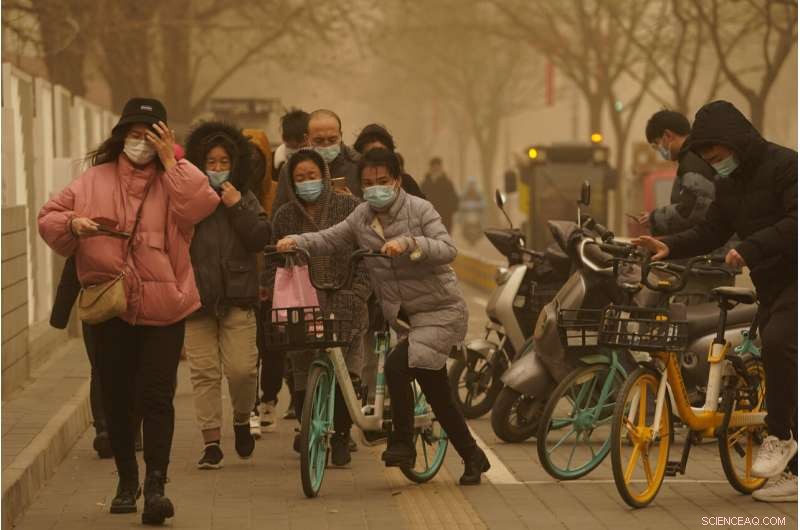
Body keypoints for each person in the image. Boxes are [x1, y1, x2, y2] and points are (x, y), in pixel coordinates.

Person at [38, 98, 219, 524]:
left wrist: (170, 160)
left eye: (150, 134)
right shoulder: (92, 181)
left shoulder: (174, 181)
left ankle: (156, 484)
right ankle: (126, 480)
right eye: (134, 134)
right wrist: (71, 225)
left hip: (165, 308)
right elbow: (49, 217)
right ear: (121, 136)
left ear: (164, 138)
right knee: (118, 400)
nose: (140, 142)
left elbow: (201, 203)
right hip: (110, 308)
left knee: (157, 397)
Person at [276, 148, 491, 485]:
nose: (375, 188)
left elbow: (448, 248)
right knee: (436, 392)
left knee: (396, 364)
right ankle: (473, 456)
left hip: (440, 310)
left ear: (397, 180)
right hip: (405, 318)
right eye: (368, 183)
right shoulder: (361, 217)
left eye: (382, 181)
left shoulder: (420, 209)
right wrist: (297, 241)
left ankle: (402, 443)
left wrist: (409, 244)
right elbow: (330, 238)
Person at [635, 100, 797, 503]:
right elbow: (711, 230)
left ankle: (779, 437)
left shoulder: (785, 165)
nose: (714, 164)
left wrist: (751, 249)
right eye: (707, 159)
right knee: (775, 356)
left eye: (717, 157)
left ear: (736, 143)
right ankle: (793, 474)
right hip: (773, 283)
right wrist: (667, 246)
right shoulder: (731, 184)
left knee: (778, 342)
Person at [267, 148, 371, 465]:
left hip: (345, 300)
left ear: (324, 176)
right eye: (300, 178)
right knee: (302, 370)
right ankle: (309, 426)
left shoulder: (350, 207)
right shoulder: (284, 215)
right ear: (290, 182)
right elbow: (272, 263)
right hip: (302, 304)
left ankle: (341, 436)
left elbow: (365, 255)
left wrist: (358, 291)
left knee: (346, 372)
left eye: (312, 176)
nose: (307, 182)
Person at [183, 121, 273, 470]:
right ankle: (211, 443)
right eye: (211, 162)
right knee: (203, 373)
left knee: (242, 370)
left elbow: (259, 237)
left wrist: (236, 206)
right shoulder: (190, 198)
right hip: (197, 300)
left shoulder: (245, 196)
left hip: (239, 298)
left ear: (234, 163)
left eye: (223, 162)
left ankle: (240, 419)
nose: (217, 169)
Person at [50, 256, 112, 459]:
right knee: (101, 368)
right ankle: (105, 430)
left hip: (131, 302)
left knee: (126, 369)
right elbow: (75, 263)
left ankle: (128, 428)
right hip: (96, 305)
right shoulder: (89, 227)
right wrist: (59, 314)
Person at [638, 110, 718, 236]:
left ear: (667, 136)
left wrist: (654, 218)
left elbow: (692, 209)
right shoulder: (697, 154)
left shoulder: (692, 161)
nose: (659, 151)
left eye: (656, 145)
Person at [272, 109, 361, 214]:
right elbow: (278, 214)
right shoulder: (290, 168)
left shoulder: (358, 164)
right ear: (307, 138)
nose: (326, 145)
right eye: (319, 141)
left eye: (332, 139)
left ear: (340, 135)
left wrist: (353, 202)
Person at [353, 123, 425, 198]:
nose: (376, 160)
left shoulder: (406, 182)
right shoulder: (352, 182)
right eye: (368, 183)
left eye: (383, 182)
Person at [420, 157, 459, 233]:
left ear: (441, 168)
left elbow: (454, 200)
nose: (435, 169)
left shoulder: (447, 183)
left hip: (445, 218)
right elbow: (420, 199)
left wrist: (449, 211)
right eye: (433, 167)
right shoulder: (425, 184)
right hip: (428, 217)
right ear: (430, 168)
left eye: (437, 167)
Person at [272, 108, 310, 175]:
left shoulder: (320, 161)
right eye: (292, 147)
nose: (296, 152)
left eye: (302, 146)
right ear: (284, 139)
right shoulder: (272, 163)